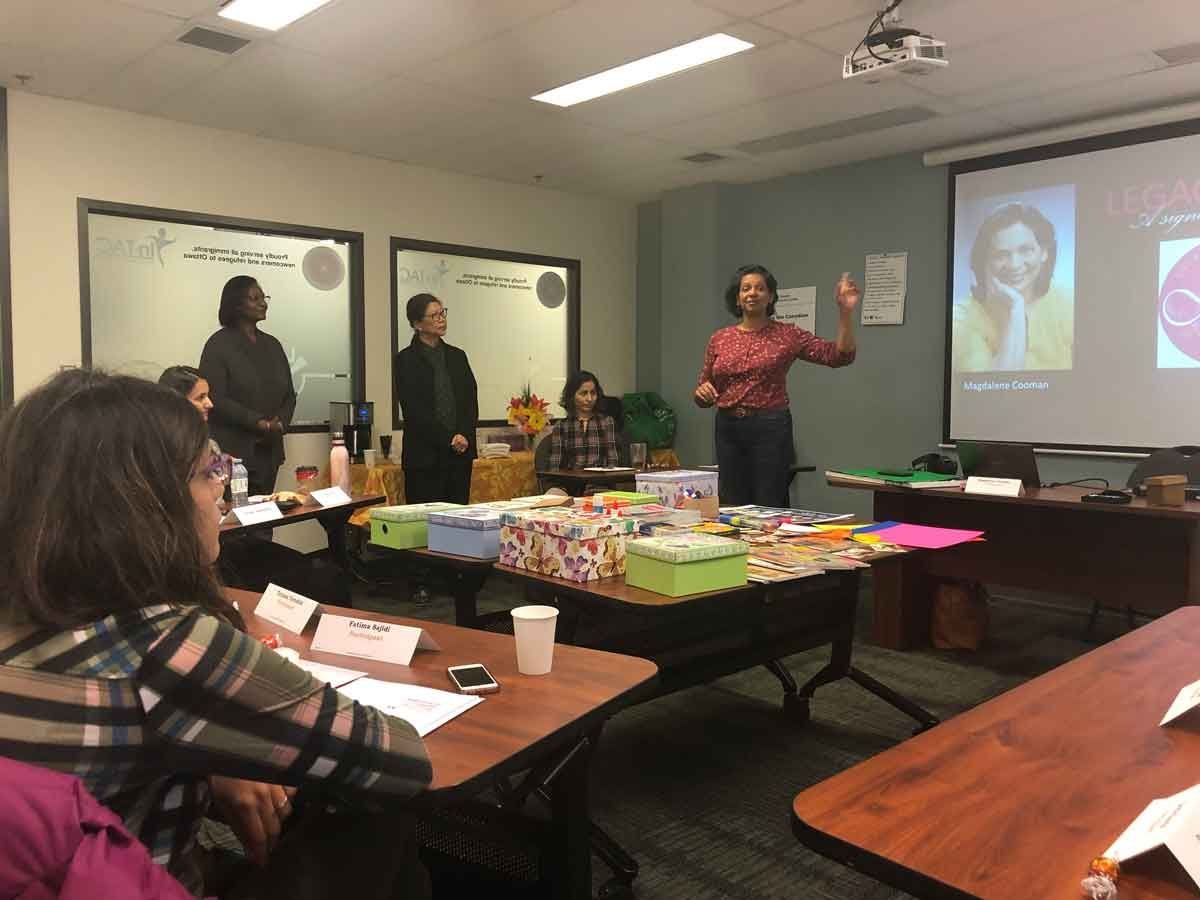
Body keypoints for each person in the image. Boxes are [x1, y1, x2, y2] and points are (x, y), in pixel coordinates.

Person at [0, 369, 432, 899]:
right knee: (380, 828)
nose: (220, 493)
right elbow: (400, 760)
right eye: (209, 472)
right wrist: (223, 751)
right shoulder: (168, 645)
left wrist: (205, 758)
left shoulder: (29, 615)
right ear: (145, 503)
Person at [695, 264, 859, 508]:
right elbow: (704, 388)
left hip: (769, 428)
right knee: (732, 502)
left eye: (760, 288)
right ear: (737, 298)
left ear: (770, 297)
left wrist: (845, 312)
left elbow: (839, 356)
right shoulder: (720, 338)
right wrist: (702, 393)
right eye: (746, 289)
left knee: (769, 502)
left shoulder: (787, 335)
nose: (752, 293)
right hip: (728, 428)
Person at [200, 276, 296, 496]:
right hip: (233, 453)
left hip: (269, 452)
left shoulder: (272, 344)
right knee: (234, 514)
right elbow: (216, 398)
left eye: (264, 298)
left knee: (264, 514)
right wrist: (257, 422)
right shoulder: (218, 344)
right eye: (254, 298)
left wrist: (280, 422)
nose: (263, 303)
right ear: (236, 304)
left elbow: (289, 394)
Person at [953, 202, 1074, 372]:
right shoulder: (962, 318)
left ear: (1044, 252)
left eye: (1025, 250)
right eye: (1001, 255)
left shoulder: (1069, 302)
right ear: (985, 260)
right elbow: (997, 387)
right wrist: (1016, 310)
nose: (1014, 264)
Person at [393, 293, 478, 505]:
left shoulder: (457, 356)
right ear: (417, 324)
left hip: (459, 456)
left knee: (458, 518)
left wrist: (463, 434)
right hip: (424, 457)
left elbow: (470, 401)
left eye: (442, 313)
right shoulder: (405, 360)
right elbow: (414, 411)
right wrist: (449, 438)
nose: (441, 319)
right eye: (434, 315)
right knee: (425, 521)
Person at [547, 370, 620, 470]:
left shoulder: (607, 422)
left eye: (593, 393)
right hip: (571, 478)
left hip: (599, 478)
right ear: (572, 395)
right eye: (583, 393)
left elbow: (613, 462)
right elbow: (555, 466)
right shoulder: (561, 426)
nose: (589, 399)